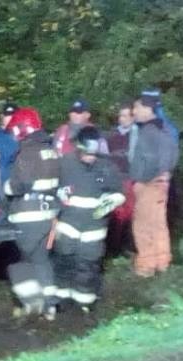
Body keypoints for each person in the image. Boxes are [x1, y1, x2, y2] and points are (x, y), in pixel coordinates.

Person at [54, 126, 126, 312]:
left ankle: (84, 303)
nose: (90, 157)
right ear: (78, 147)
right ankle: (62, 300)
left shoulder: (107, 167)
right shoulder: (65, 164)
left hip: (94, 227)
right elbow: (55, 189)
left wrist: (102, 209)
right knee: (64, 260)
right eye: (87, 153)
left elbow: (118, 195)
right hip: (68, 223)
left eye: (93, 154)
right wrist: (59, 200)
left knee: (87, 264)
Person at [2, 107, 61, 320]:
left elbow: (20, 185)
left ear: (23, 128)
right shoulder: (51, 150)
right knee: (42, 260)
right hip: (49, 214)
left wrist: (6, 187)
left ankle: (32, 302)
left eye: (15, 129)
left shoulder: (27, 152)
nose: (14, 135)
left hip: (28, 216)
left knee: (19, 262)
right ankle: (50, 307)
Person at [129, 94, 179, 277]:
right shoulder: (165, 129)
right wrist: (165, 175)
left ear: (147, 108)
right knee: (158, 224)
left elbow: (149, 160)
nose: (134, 111)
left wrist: (142, 180)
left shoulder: (148, 131)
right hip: (161, 183)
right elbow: (172, 156)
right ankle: (162, 263)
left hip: (149, 184)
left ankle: (146, 266)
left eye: (137, 107)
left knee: (142, 225)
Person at [106, 101, 138, 255]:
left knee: (131, 215)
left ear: (132, 117)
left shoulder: (137, 135)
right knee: (116, 215)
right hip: (115, 180)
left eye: (126, 116)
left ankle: (129, 247)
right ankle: (114, 249)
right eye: (121, 116)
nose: (122, 119)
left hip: (131, 180)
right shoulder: (111, 136)